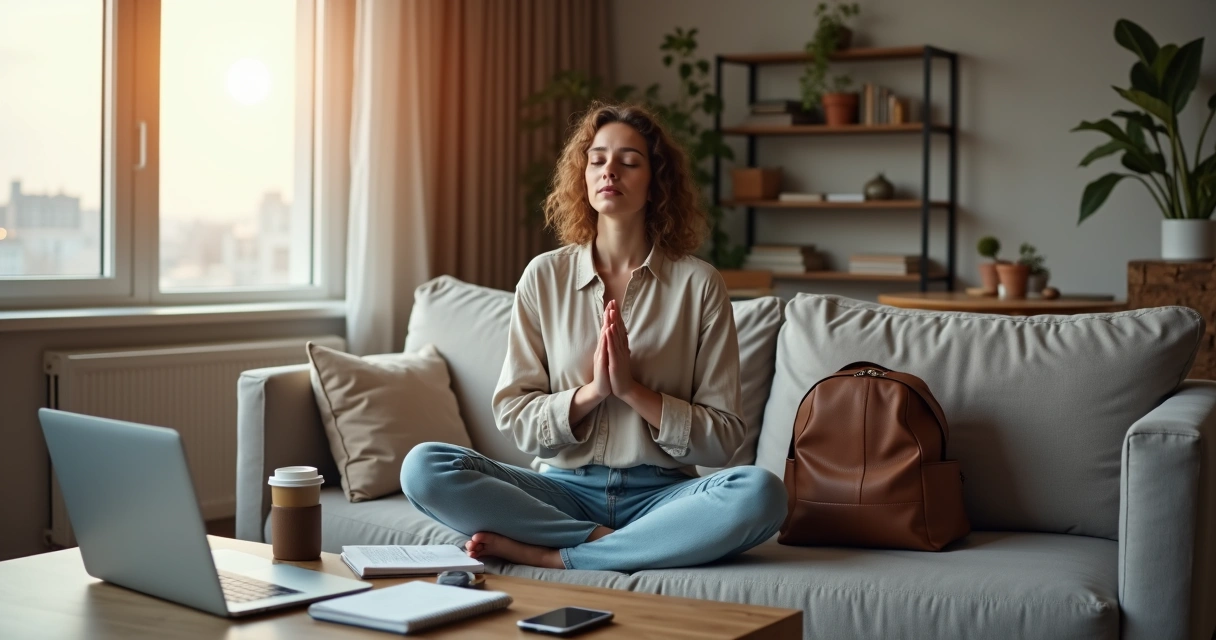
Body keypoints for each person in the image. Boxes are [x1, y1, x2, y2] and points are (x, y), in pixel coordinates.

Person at [401, 102, 786, 572]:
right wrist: (592, 393)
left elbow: (723, 439)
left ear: (655, 181)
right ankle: (616, 545)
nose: (610, 172)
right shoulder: (543, 277)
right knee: (424, 467)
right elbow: (515, 416)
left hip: (663, 495)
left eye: (629, 161)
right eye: (598, 159)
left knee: (761, 493)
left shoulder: (699, 285)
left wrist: (631, 392)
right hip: (561, 490)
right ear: (583, 176)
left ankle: (553, 555)